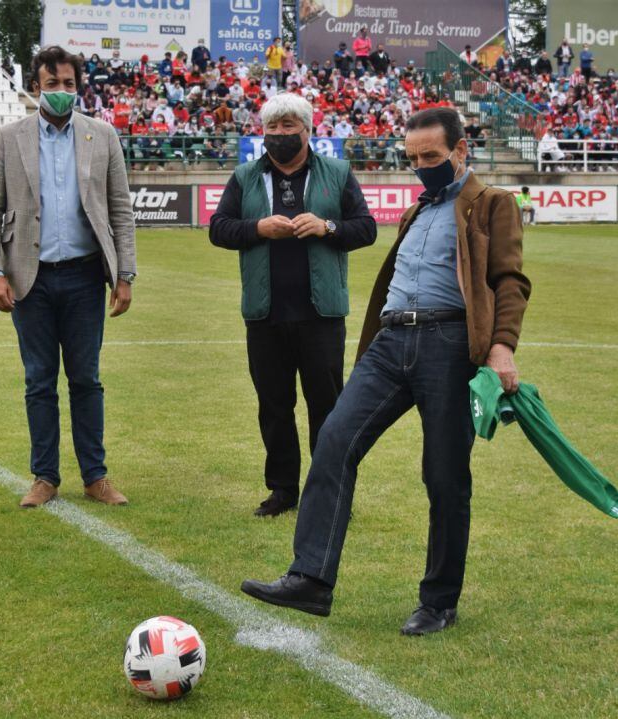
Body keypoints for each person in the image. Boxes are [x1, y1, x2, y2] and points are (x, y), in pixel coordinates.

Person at [240, 107, 531, 635]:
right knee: (334, 440)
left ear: (461, 151)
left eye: (432, 157)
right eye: (413, 157)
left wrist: (502, 347)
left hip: (447, 343)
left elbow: (510, 280)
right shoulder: (417, 211)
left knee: (444, 475)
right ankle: (310, 578)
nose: (420, 165)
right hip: (391, 341)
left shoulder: (493, 204)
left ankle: (439, 601)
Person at [208, 93, 376, 517]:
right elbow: (219, 229)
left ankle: (328, 495)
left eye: (289, 127)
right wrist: (258, 228)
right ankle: (282, 489)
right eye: (273, 128)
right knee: (274, 406)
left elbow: (366, 229)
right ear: (262, 132)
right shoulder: (246, 175)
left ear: (307, 129)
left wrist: (327, 225)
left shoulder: (336, 172)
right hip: (264, 314)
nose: (280, 135)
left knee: (329, 409)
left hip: (321, 314)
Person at [0, 45, 136, 509]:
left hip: (86, 277)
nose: (62, 92)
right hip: (29, 279)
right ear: (36, 87)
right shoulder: (7, 138)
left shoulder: (102, 135)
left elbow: (121, 210)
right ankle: (44, 477)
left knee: (86, 379)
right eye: (53, 84)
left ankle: (95, 476)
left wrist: (124, 274)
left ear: (79, 86)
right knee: (39, 380)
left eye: (69, 84)